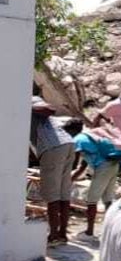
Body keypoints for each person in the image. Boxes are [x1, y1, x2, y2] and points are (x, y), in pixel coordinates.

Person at [66, 119, 121, 242]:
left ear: (71, 131)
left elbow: (74, 165)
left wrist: (64, 177)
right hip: (114, 165)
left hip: (103, 168)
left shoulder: (77, 140)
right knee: (108, 200)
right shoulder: (89, 137)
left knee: (91, 200)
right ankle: (110, 231)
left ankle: (89, 233)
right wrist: (71, 180)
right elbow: (82, 167)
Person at [31, 97, 76, 247]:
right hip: (67, 144)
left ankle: (54, 235)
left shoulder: (31, 100)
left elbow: (50, 109)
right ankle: (62, 234)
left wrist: (27, 107)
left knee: (53, 195)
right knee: (63, 194)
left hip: (53, 148)